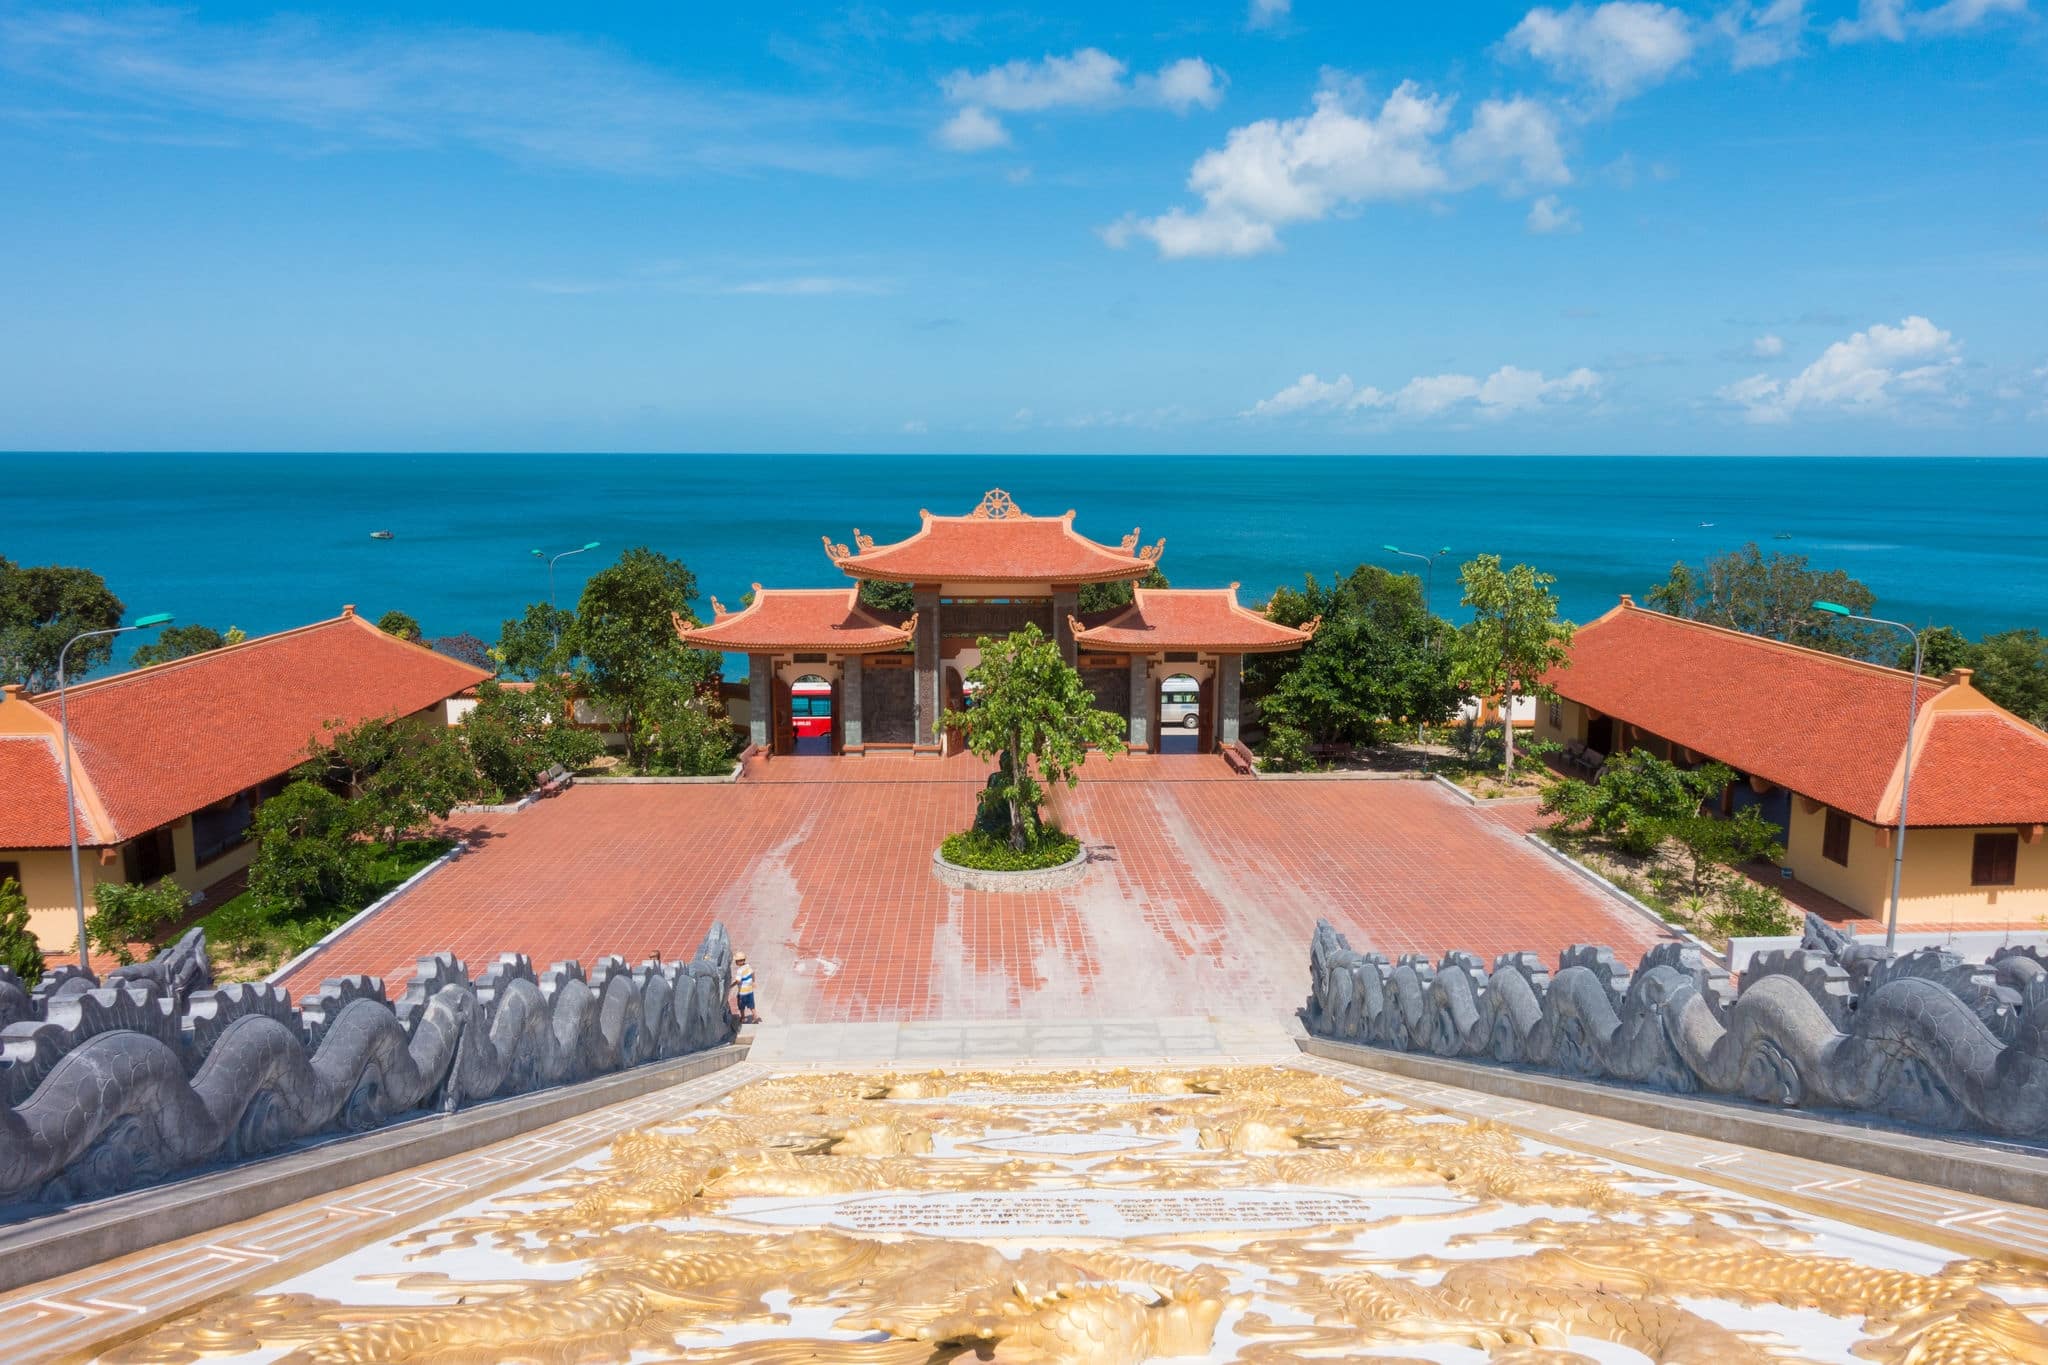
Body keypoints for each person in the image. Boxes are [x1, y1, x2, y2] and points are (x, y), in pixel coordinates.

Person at [734, 952, 758, 1024]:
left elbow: (738, 981)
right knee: (751, 1004)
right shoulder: (748, 966)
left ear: (739, 961)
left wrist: (733, 984)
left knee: (741, 1005)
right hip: (750, 990)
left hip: (742, 992)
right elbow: (753, 973)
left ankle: (743, 1017)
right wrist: (753, 982)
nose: (735, 962)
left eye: (736, 961)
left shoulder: (739, 971)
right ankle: (755, 1016)